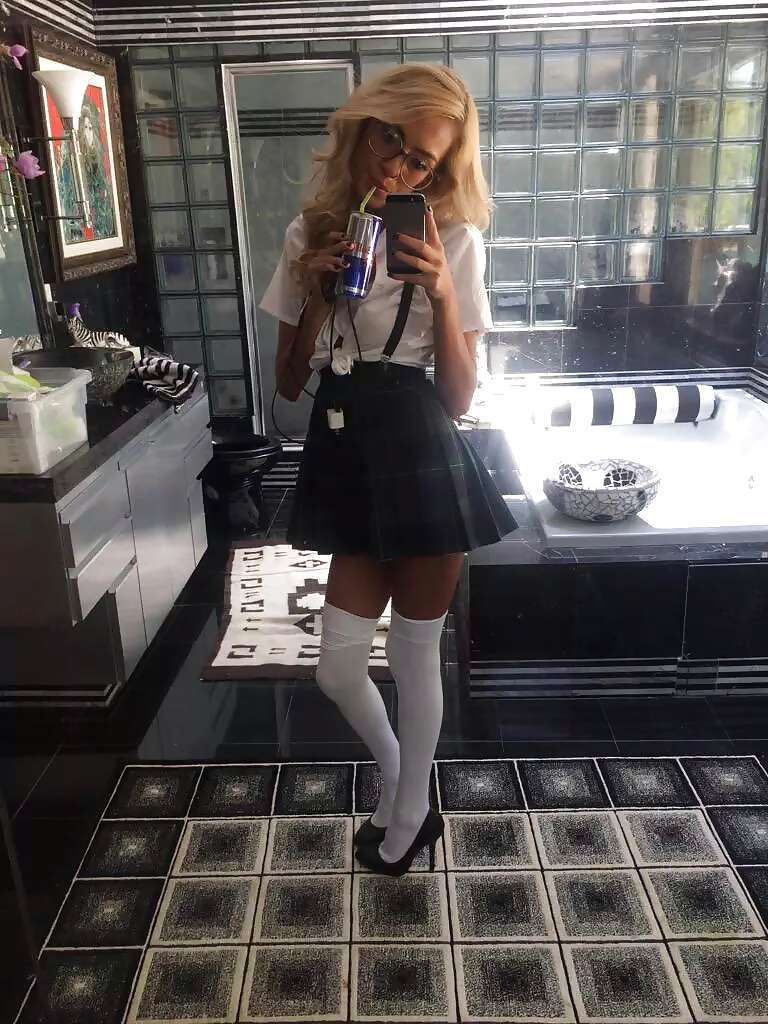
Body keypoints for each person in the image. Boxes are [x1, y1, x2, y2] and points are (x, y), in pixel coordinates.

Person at [260, 64, 516, 875]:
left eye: (422, 162)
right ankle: (406, 778)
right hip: (345, 453)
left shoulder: (457, 243)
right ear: (364, 128)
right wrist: (313, 293)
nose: (398, 168)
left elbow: (461, 398)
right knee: (339, 668)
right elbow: (288, 384)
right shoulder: (305, 235)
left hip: (425, 457)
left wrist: (442, 293)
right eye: (391, 140)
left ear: (438, 174)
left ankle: (407, 816)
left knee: (414, 655)